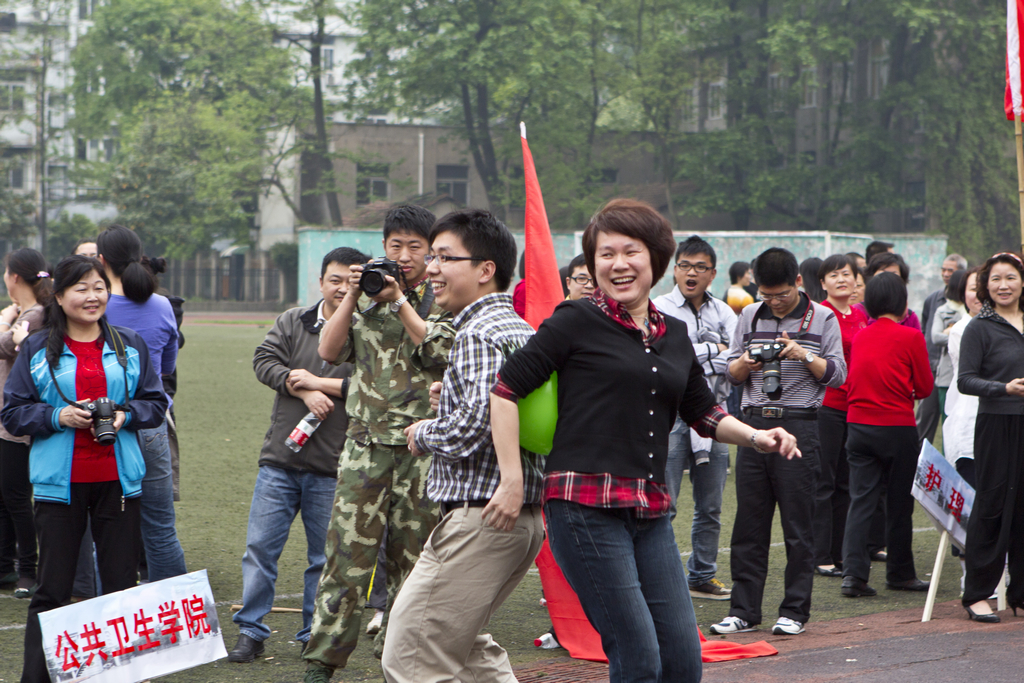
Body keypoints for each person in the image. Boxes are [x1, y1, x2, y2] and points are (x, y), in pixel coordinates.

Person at [491, 200, 800, 682]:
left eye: (630, 251)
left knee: (683, 661)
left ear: (655, 258)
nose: (618, 264)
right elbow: (506, 389)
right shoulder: (573, 319)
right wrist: (512, 479)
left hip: (650, 509)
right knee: (638, 657)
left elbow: (704, 413)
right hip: (583, 507)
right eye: (605, 254)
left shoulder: (673, 333)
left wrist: (757, 436)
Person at [381, 209, 545, 682]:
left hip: (481, 518)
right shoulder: (519, 328)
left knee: (411, 657)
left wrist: (423, 433)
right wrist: (450, 402)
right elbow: (508, 412)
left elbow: (474, 426)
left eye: (444, 258)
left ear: (485, 269)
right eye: (432, 257)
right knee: (467, 647)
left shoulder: (476, 331)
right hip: (520, 520)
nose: (430, 268)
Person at [306, 205, 456, 683]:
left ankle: (400, 654)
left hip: (421, 451)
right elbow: (328, 351)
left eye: (416, 247)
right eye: (396, 246)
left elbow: (439, 349)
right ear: (384, 246)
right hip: (365, 448)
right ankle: (322, 661)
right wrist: (354, 293)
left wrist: (399, 301)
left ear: (431, 252)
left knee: (415, 562)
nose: (404, 256)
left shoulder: (441, 297)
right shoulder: (365, 294)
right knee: (346, 558)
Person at [2, 255, 167, 683]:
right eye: (81, 289)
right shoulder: (37, 347)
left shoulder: (128, 343)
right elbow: (13, 413)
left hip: (119, 483)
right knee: (52, 592)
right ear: (58, 296)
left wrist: (125, 416)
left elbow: (154, 402)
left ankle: (118, 676)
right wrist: (57, 417)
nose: (93, 297)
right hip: (59, 486)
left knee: (120, 591)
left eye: (99, 288)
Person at [226, 247, 366, 663]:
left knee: (322, 560)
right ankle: (251, 632)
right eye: (334, 280)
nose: (341, 288)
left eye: (350, 282)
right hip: (280, 461)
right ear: (321, 282)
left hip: (333, 466)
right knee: (260, 550)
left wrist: (319, 384)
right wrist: (299, 386)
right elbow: (263, 360)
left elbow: (371, 387)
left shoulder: (368, 330)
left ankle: (312, 634)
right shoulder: (293, 320)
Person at [711, 246, 846, 637]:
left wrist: (803, 355)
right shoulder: (749, 314)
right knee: (748, 524)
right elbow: (731, 372)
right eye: (766, 294)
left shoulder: (823, 317)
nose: (773, 301)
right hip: (754, 427)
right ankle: (743, 611)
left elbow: (838, 375)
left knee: (798, 524)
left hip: (800, 425)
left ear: (799, 282)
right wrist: (744, 362)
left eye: (781, 294)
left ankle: (794, 611)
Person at [95, 225, 186, 583]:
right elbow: (167, 369)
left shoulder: (95, 307)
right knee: (160, 527)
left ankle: (102, 611)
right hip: (152, 421)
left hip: (104, 424)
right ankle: (176, 610)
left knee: (101, 529)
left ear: (101, 261)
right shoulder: (162, 305)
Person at [653, 235, 738, 600]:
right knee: (664, 504)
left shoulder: (725, 312)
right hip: (670, 416)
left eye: (700, 267)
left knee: (711, 505)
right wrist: (713, 349)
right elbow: (665, 356)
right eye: (685, 265)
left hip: (713, 414)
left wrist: (695, 354)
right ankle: (661, 579)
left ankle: (702, 574)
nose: (691, 273)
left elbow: (737, 358)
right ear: (674, 270)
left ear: (712, 273)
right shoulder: (659, 307)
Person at [839, 272, 933, 597]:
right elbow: (925, 387)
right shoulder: (911, 337)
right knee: (899, 504)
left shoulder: (861, 336)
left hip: (858, 426)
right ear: (903, 303)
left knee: (861, 502)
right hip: (897, 428)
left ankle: (853, 576)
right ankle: (900, 573)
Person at [957, 252, 1024, 622]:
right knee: (992, 506)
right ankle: (978, 593)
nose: (1003, 285)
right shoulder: (979, 327)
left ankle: (1020, 593)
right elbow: (966, 380)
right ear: (986, 285)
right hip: (997, 424)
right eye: (996, 279)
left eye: (1010, 277)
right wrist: (1003, 388)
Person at [812, 254, 867, 578]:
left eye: (846, 274)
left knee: (847, 482)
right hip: (828, 405)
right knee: (824, 480)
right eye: (833, 275)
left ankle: (841, 552)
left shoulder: (859, 314)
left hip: (855, 407)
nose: (841, 280)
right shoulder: (819, 314)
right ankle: (820, 554)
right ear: (823, 283)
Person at [0, 250, 51, 599]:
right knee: (6, 496)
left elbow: (6, 346)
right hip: (9, 418)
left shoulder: (33, 315)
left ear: (15, 277)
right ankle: (6, 565)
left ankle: (27, 570)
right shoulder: (27, 313)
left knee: (16, 497)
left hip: (19, 420)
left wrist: (4, 321)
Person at [942, 266, 983, 588]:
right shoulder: (961, 330)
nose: (979, 294)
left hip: (1004, 425)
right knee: (969, 501)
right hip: (968, 426)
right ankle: (972, 575)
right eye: (972, 288)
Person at [918, 254, 968, 444]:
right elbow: (927, 332)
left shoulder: (970, 303)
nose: (946, 274)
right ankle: (919, 458)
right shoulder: (934, 300)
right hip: (932, 366)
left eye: (951, 271)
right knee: (925, 418)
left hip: (956, 370)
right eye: (943, 270)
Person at [930, 269, 968, 418]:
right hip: (947, 374)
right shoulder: (943, 311)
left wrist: (951, 332)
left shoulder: (974, 311)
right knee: (948, 418)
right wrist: (957, 337)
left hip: (970, 374)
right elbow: (936, 337)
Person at [858, 253, 922, 331]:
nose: (888, 279)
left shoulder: (910, 317)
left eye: (894, 274)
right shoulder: (858, 312)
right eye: (882, 273)